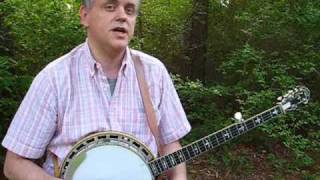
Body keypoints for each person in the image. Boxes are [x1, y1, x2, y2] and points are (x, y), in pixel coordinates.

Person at [2, 0, 191, 179]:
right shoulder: (54, 78)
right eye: (110, 6)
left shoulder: (154, 72)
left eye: (130, 9)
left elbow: (170, 144)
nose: (122, 16)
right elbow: (14, 164)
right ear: (85, 15)